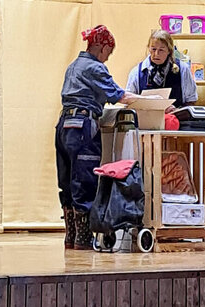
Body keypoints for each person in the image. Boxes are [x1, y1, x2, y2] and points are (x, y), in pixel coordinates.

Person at [56, 25, 155, 250]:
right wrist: (151, 101)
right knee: (84, 181)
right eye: (108, 53)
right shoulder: (95, 67)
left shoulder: (73, 66)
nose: (108, 58)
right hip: (82, 127)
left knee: (67, 182)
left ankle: (71, 236)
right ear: (102, 47)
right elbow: (119, 96)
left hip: (63, 126)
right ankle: (83, 238)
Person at [125, 30, 198, 111]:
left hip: (175, 117)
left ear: (169, 51)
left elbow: (191, 101)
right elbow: (128, 103)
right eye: (153, 49)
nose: (156, 54)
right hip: (145, 117)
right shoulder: (137, 72)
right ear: (149, 48)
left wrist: (177, 110)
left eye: (161, 50)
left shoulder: (183, 69)